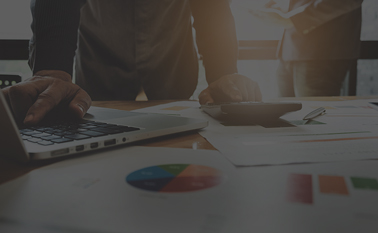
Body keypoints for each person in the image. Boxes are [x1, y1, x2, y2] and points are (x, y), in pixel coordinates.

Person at [2, 0, 262, 125]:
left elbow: (212, 8)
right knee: (95, 126)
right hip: (100, 60)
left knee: (178, 132)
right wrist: (52, 69)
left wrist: (223, 72)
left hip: (170, 58)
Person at [251, 0, 364, 97]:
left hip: (322, 52)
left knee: (315, 118)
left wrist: (295, 19)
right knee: (283, 118)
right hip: (290, 50)